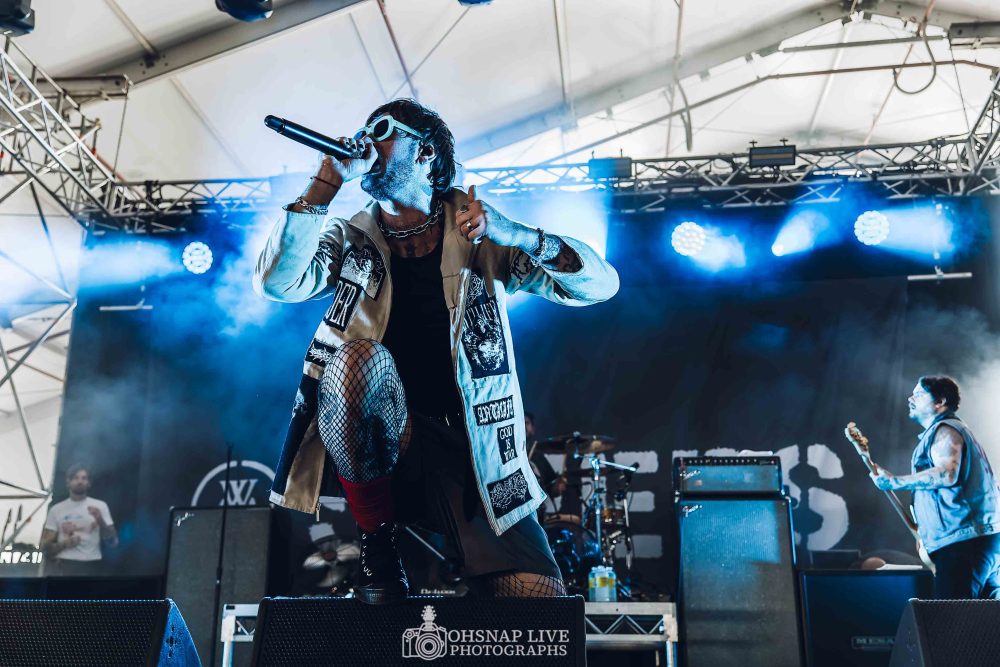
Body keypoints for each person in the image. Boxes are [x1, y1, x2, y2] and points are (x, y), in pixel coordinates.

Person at [254, 99, 618, 604]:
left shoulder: (481, 235)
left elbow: (601, 286)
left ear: (425, 152)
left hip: (475, 451)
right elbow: (277, 282)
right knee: (357, 361)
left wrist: (521, 236)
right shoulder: (349, 237)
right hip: (390, 441)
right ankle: (377, 545)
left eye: (381, 130)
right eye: (363, 130)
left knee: (540, 611)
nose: (365, 140)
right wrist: (324, 185)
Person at [871, 376, 1000, 598]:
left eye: (918, 394)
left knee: (956, 615)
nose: (910, 399)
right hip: (980, 539)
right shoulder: (953, 431)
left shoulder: (945, 429)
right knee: (985, 615)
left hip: (964, 542)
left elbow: (947, 474)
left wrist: (894, 482)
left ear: (940, 402)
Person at [40, 464, 118, 575]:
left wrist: (100, 519)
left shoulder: (100, 506)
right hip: (65, 566)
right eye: (76, 478)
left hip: (92, 565)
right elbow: (45, 548)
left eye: (84, 478)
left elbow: (112, 542)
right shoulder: (56, 509)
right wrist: (65, 544)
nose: (80, 481)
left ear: (89, 483)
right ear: (68, 482)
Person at [525, 412, 567, 518]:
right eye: (520, 423)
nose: (524, 426)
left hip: (536, 512)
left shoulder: (537, 457)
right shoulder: (509, 455)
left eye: (527, 423)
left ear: (533, 429)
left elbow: (552, 488)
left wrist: (558, 486)